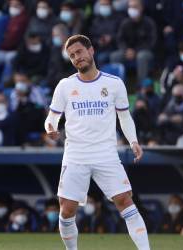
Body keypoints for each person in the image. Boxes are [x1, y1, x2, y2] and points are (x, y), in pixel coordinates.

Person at [44, 35, 149, 250]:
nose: (77, 58)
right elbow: (51, 117)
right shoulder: (65, 85)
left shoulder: (113, 83)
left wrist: (134, 141)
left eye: (79, 52)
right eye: (72, 56)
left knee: (125, 201)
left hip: (106, 153)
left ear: (91, 50)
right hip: (76, 155)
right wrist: (50, 128)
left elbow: (124, 116)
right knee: (66, 210)